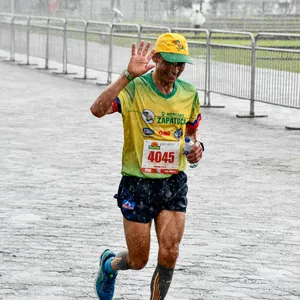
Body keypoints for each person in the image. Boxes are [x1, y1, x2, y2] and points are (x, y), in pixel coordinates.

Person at [90, 32, 204, 300]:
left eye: (181, 64)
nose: (175, 70)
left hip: (173, 181)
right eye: (170, 63)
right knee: (138, 260)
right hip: (137, 182)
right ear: (156, 59)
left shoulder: (189, 93)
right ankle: (109, 266)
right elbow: (97, 109)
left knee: (171, 251)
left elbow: (190, 132)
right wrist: (126, 76)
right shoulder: (134, 87)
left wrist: (195, 149)